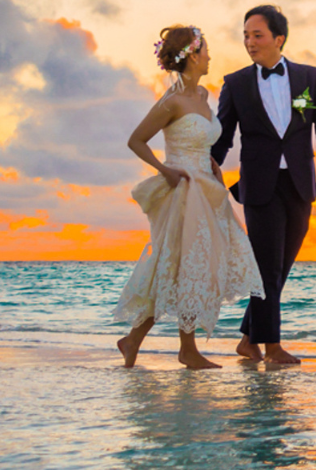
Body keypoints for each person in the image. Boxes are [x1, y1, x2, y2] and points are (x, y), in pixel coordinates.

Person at [113, 25, 265, 370]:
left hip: (207, 189)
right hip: (181, 190)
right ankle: (186, 349)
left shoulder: (204, 96)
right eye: (206, 50)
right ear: (193, 55)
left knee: (193, 267)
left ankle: (135, 339)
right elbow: (136, 140)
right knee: (182, 265)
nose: (210, 55)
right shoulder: (172, 101)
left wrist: (211, 161)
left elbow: (203, 138)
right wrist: (164, 169)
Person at [211, 5, 316, 364]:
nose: (250, 43)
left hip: (300, 185)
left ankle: (248, 340)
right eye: (246, 36)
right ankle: (272, 347)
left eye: (257, 35)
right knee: (266, 266)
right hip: (259, 186)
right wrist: (204, 169)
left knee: (280, 267)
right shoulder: (235, 83)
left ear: (278, 38)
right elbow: (223, 137)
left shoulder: (309, 78)